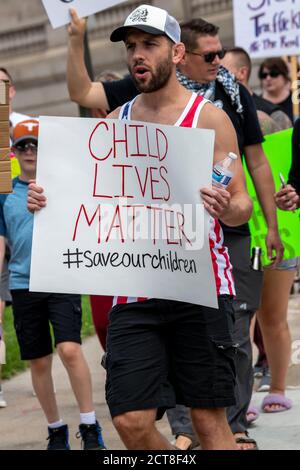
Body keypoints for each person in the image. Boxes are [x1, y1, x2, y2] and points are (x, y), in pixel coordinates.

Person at [29, 4, 253, 451]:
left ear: (176, 53)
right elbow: (80, 196)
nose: (138, 55)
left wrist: (226, 206)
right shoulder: (116, 124)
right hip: (135, 289)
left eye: (149, 44)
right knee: (131, 421)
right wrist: (45, 199)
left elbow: (242, 205)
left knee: (208, 422)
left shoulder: (208, 119)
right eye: (132, 47)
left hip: (199, 287)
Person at [0, 120, 106, 450]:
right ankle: (56, 429)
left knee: (69, 349)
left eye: (36, 146)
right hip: (22, 282)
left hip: (61, 276)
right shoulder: (4, 195)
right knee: (39, 359)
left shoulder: (62, 185)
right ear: (14, 153)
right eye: (23, 147)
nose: (30, 152)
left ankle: (89, 424)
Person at [222, 47, 297, 405]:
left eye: (222, 68)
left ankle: (278, 388)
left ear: (239, 74)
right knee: (240, 320)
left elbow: (288, 171)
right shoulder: (207, 116)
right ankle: (242, 399)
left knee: (272, 316)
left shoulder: (268, 119)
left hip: (279, 230)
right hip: (235, 233)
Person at [221, 48, 292, 135]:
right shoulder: (218, 110)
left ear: (242, 73)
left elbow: (283, 147)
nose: (217, 75)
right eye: (264, 75)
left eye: (223, 71)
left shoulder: (273, 114)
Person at [259, 57, 295, 123]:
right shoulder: (256, 104)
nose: (268, 78)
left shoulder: (296, 100)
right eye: (264, 75)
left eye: (273, 74)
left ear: (285, 76)